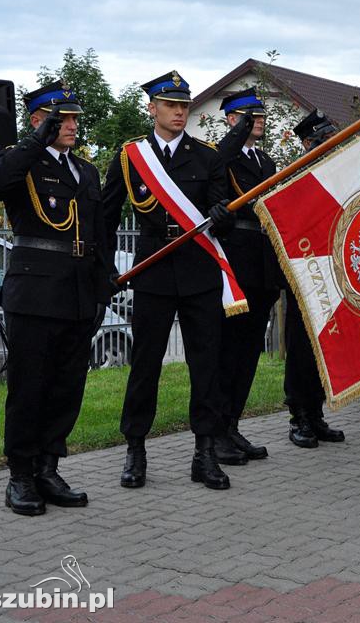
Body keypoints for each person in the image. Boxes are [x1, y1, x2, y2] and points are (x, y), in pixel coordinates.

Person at [0, 81, 115, 515]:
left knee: (66, 386)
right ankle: (19, 475)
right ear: (40, 120)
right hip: (36, 290)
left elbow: (98, 234)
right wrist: (35, 140)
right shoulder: (22, 162)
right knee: (30, 386)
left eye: (75, 118)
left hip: (78, 290)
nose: (73, 125)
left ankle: (48, 467)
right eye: (64, 118)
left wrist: (102, 286)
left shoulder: (86, 171)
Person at [101, 71, 238, 490]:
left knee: (206, 365)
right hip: (153, 272)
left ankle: (205, 452)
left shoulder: (208, 156)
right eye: (171, 105)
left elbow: (223, 214)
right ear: (153, 109)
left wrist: (223, 217)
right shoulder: (130, 157)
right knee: (144, 365)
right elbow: (105, 217)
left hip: (199, 271)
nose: (180, 112)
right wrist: (106, 268)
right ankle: (135, 448)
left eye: (184, 105)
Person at [213, 88, 285, 462]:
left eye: (260, 115)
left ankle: (233, 424)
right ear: (231, 119)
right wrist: (235, 135)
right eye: (248, 115)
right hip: (235, 266)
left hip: (261, 266)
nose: (258, 120)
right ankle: (216, 432)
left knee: (247, 355)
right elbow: (214, 172)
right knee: (227, 353)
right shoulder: (220, 155)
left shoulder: (266, 162)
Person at [282, 109, 346, 448]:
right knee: (302, 349)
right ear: (308, 143)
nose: (331, 145)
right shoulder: (295, 177)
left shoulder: (333, 176)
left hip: (331, 271)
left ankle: (317, 413)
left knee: (324, 346)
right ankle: (299, 416)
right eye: (324, 139)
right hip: (303, 272)